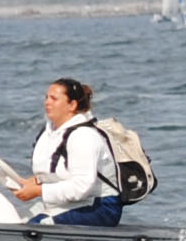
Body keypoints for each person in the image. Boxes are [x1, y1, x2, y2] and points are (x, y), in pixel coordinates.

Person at [9, 77, 120, 227]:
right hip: (66, 202)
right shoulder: (49, 133)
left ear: (72, 105)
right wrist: (35, 181)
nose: (47, 102)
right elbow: (60, 171)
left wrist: (39, 191)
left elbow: (81, 187)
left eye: (54, 99)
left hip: (99, 206)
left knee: (37, 226)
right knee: (15, 221)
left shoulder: (84, 136)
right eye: (46, 97)